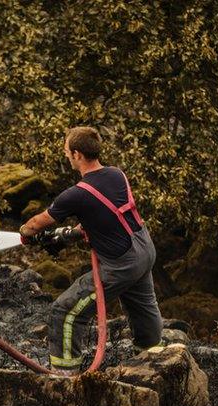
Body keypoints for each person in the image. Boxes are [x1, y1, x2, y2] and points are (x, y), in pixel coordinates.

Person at [20, 127, 163, 373]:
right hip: (145, 251)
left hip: (121, 264)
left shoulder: (75, 195)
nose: (66, 155)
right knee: (143, 306)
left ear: (77, 154)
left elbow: (35, 224)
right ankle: (154, 360)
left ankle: (65, 374)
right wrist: (70, 234)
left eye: (67, 151)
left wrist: (24, 233)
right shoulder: (117, 175)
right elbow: (106, 213)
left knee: (65, 311)